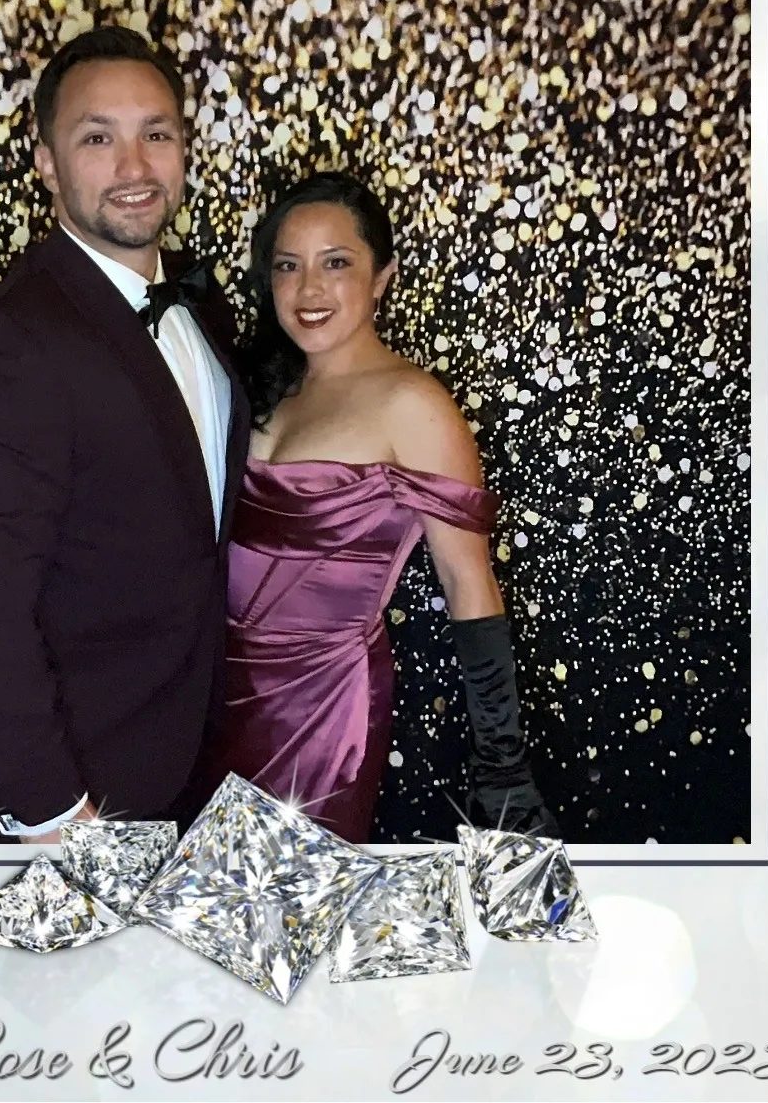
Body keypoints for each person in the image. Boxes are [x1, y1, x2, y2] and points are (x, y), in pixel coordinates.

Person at [0, 27, 251, 842]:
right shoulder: (11, 338)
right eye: (98, 138)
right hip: (85, 793)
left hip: (207, 764)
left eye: (157, 134)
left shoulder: (202, 308)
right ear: (46, 162)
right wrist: (53, 817)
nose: (135, 167)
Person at [197, 171, 559, 844]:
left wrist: (502, 767)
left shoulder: (413, 404)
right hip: (215, 695)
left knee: (295, 917)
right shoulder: (267, 386)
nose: (309, 290)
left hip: (321, 706)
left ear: (382, 277)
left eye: (336, 264)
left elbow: (468, 584)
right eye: (288, 266)